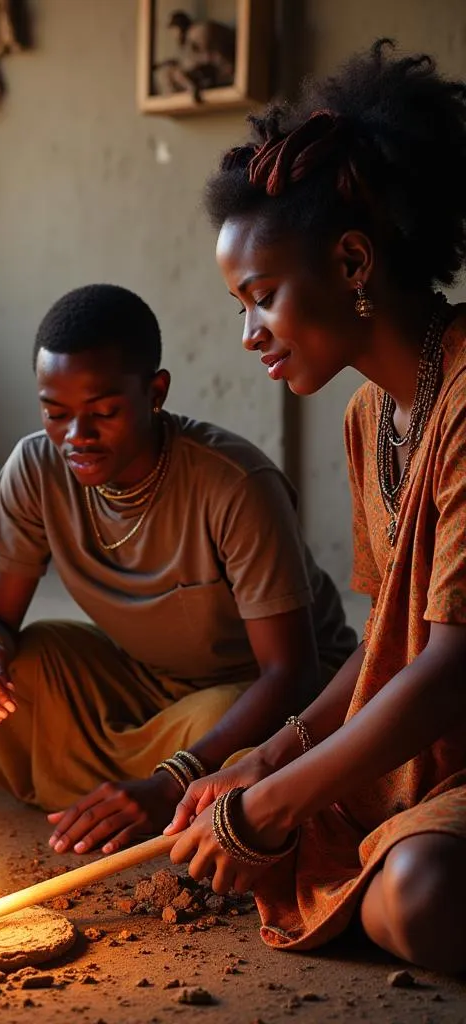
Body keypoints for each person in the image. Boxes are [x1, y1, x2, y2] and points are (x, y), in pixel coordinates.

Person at [167, 40, 466, 975]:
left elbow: (451, 672)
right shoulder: (369, 412)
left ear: (351, 260)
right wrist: (275, 751)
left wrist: (276, 802)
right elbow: (389, 644)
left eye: (260, 299)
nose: (249, 334)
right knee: (330, 844)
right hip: (435, 746)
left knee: (418, 900)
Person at [0, 283, 356, 857]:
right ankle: (137, 802)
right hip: (147, 682)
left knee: (227, 735)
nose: (76, 437)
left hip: (258, 696)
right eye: (55, 413)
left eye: (104, 412)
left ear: (155, 392)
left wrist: (175, 776)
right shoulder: (35, 467)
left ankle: (164, 796)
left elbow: (291, 672)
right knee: (26, 668)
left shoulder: (233, 484)